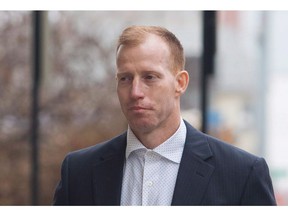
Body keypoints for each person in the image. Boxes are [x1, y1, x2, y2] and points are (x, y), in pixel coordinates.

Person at [53, 25, 276, 206]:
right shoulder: (79, 172)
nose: (135, 92)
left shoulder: (242, 174)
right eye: (125, 78)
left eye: (150, 77)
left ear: (180, 83)